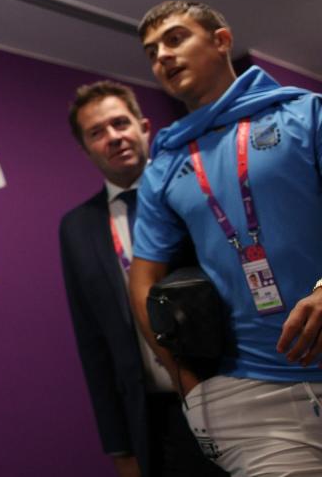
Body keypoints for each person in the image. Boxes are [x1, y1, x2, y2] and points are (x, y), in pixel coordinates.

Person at [129, 0, 322, 475]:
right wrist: (187, 379)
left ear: (221, 41)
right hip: (254, 396)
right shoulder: (166, 161)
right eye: (152, 52)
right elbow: (143, 276)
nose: (162, 58)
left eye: (175, 39)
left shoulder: (303, 113)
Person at [60, 81, 225, 477]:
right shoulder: (76, 228)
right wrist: (120, 446)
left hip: (226, 390)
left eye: (120, 123)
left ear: (144, 126)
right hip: (156, 419)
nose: (113, 137)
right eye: (97, 132)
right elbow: (92, 343)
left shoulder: (194, 192)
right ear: (85, 149)